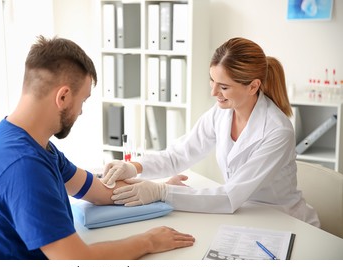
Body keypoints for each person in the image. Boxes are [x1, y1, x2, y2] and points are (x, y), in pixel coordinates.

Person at [0, 36, 195, 260]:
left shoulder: (25, 141)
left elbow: (100, 191)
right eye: (83, 100)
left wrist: (160, 190)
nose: (81, 111)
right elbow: (77, 262)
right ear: (63, 97)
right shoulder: (24, 166)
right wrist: (149, 241)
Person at [103, 37, 320, 227]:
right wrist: (134, 167)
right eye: (212, 81)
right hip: (242, 214)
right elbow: (179, 154)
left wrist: (161, 192)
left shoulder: (277, 131)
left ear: (253, 87)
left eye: (224, 87)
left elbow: (229, 196)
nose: (214, 92)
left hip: (281, 219)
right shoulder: (222, 112)